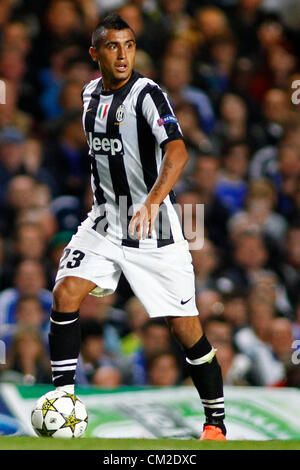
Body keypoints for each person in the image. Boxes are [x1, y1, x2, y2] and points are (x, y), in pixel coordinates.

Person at [48, 13, 226, 441]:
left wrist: (150, 201)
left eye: (128, 45)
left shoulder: (148, 95)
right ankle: (64, 402)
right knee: (65, 291)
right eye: (112, 46)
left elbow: (178, 153)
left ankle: (215, 422)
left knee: (186, 330)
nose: (123, 54)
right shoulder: (90, 95)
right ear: (96, 54)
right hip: (106, 221)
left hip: (155, 229)